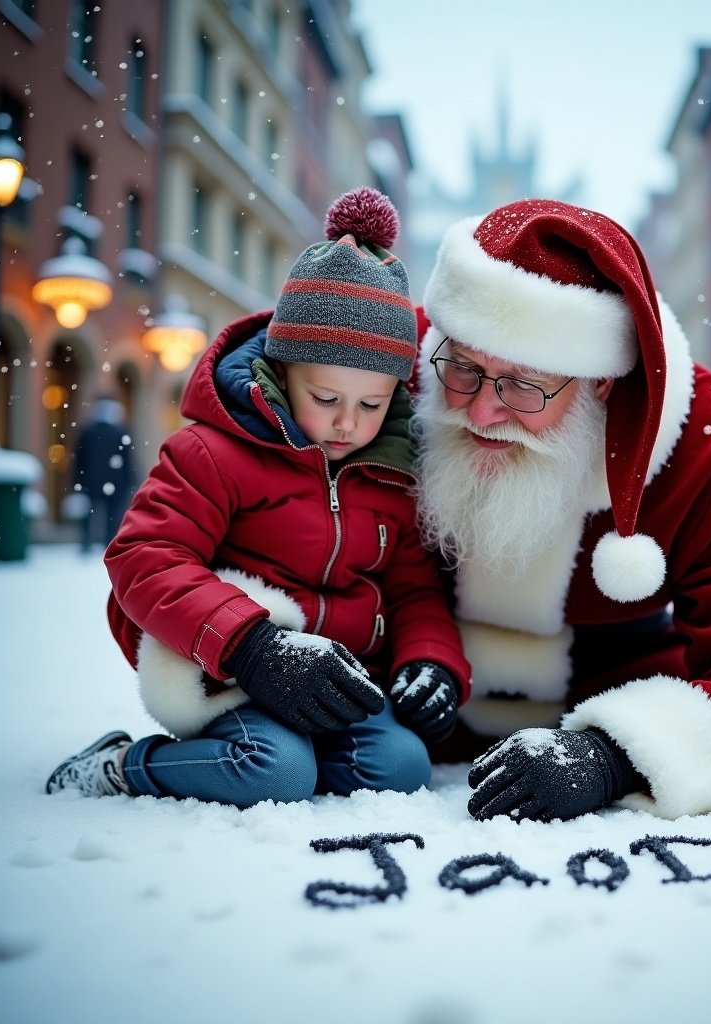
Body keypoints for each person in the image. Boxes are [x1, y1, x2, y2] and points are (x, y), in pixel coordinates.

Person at [411, 197, 711, 823]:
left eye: (522, 384)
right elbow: (276, 366)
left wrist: (617, 753)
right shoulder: (392, 380)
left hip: (604, 705)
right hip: (403, 737)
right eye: (463, 368)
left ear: (602, 381)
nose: (481, 410)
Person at [46, 187, 471, 808]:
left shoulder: (391, 474)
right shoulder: (213, 454)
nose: (348, 424)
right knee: (273, 770)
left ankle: (297, 755)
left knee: (402, 766)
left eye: (372, 405)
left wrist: (429, 663)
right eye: (326, 399)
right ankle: (122, 765)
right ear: (281, 372)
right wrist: (251, 647)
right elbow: (143, 556)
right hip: (232, 674)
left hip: (342, 684)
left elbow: (414, 590)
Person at [71, 395, 137, 553]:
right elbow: (128, 460)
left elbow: (79, 459)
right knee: (111, 516)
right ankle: (108, 543)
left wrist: (77, 480)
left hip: (90, 480)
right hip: (115, 482)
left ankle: (86, 543)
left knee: (89, 514)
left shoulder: (87, 431)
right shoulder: (120, 432)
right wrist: (130, 480)